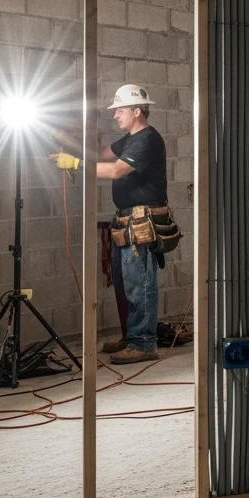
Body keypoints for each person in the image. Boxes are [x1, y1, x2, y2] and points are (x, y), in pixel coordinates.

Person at [50, 84, 171, 364]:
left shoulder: (148, 140)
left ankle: (144, 343)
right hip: (127, 219)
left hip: (142, 221)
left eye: (120, 110)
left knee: (140, 282)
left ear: (137, 111)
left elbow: (116, 170)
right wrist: (71, 135)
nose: (115, 115)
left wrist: (75, 163)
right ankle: (132, 336)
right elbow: (102, 154)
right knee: (122, 279)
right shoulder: (129, 139)